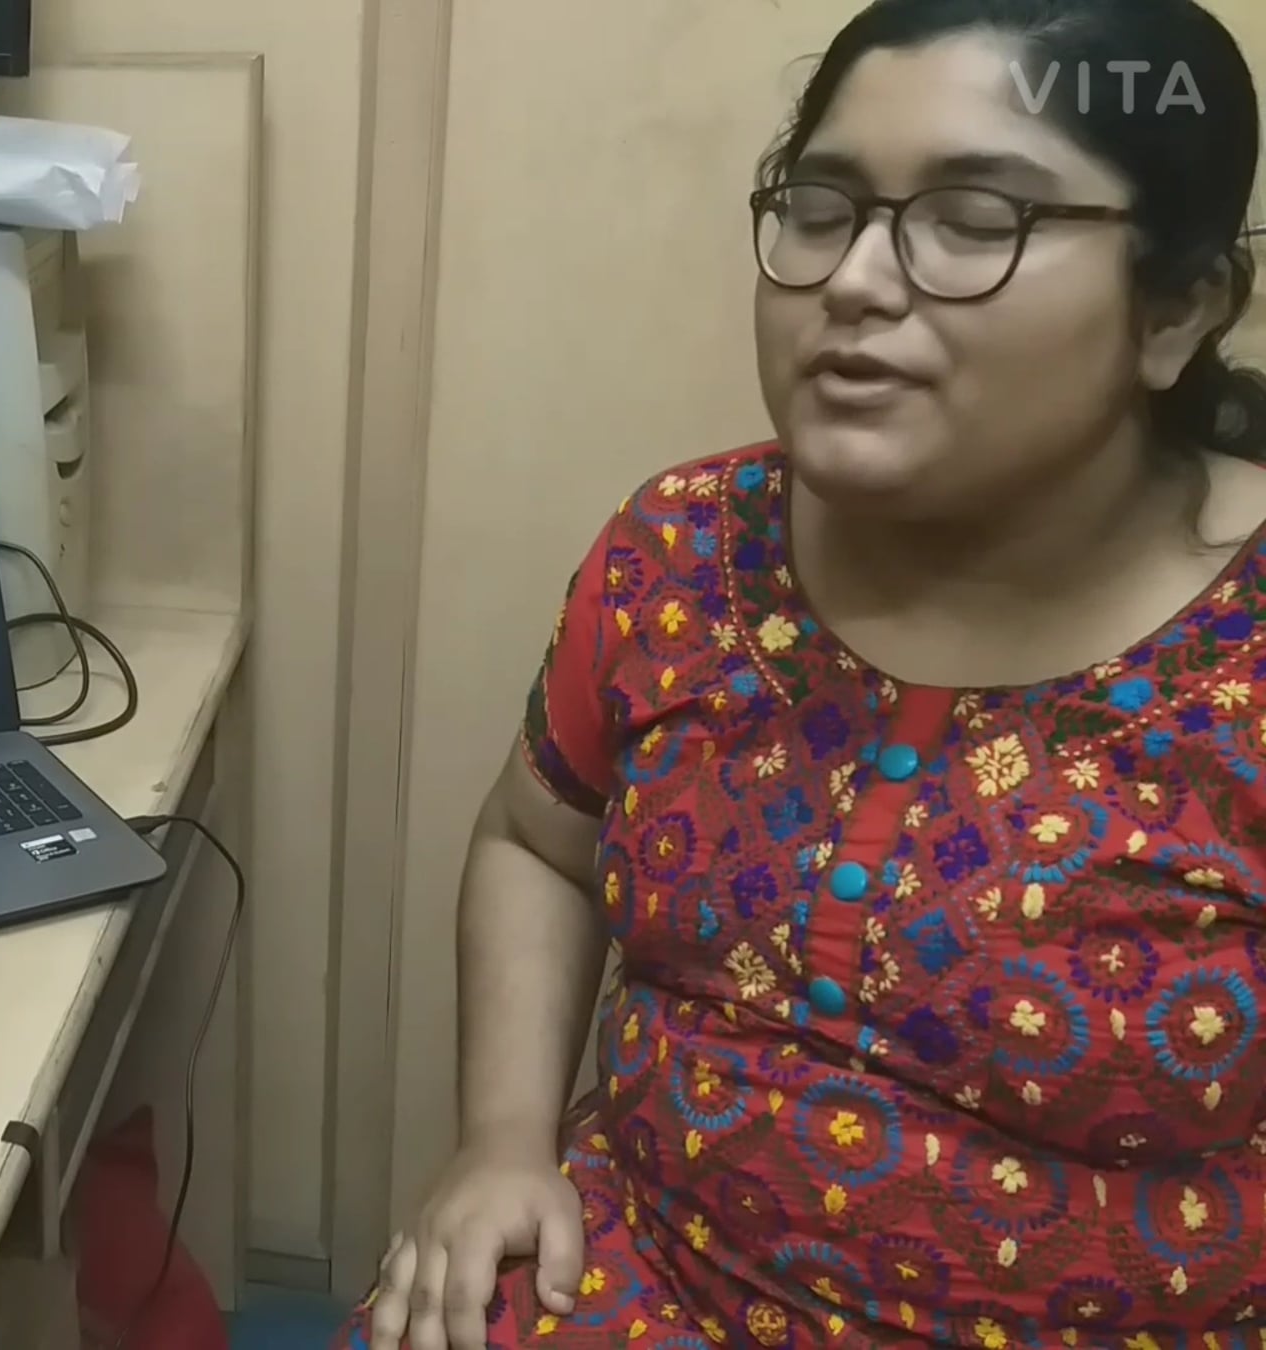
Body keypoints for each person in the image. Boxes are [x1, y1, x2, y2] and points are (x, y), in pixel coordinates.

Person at [345, 1, 1266, 1346]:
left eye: (974, 220)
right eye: (821, 208)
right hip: (638, 1275)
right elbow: (537, 842)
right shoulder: (682, 549)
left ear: (1176, 309)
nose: (855, 280)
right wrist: (500, 1141)